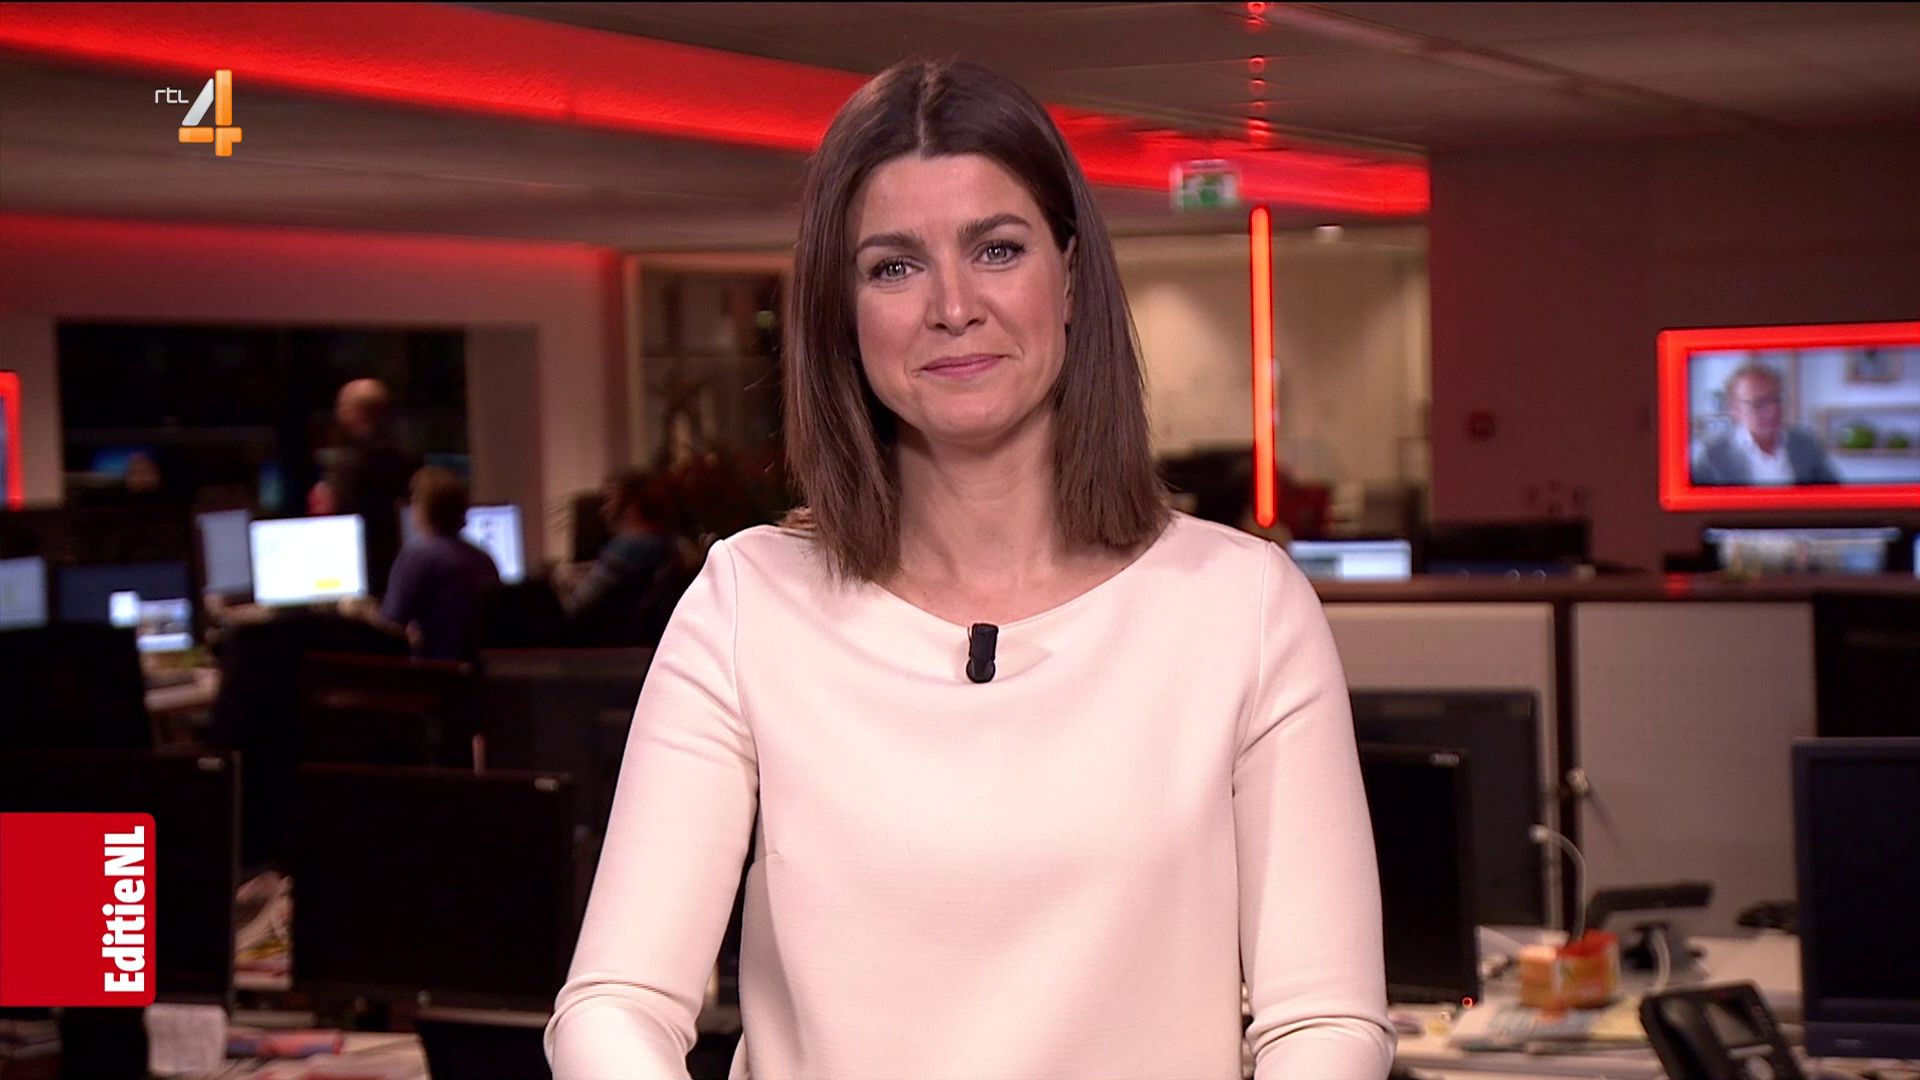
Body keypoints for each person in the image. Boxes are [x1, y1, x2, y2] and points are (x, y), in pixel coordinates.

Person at [546, 60, 1393, 1080]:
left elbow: (1324, 1022)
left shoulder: (1241, 606)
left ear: (1069, 278)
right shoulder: (747, 602)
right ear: (843, 312)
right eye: (893, 267)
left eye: (996, 249)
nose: (952, 306)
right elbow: (616, 1004)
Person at [344, 466, 498, 661]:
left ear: (422, 509)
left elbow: (392, 623)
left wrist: (358, 610)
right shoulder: (484, 559)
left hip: (433, 670)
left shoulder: (417, 555)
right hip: (476, 670)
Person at [560, 469, 682, 646]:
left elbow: (575, 606)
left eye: (610, 500)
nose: (603, 510)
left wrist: (560, 587)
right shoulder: (666, 544)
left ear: (633, 505)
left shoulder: (626, 548)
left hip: (597, 651)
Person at [320, 378, 418, 596]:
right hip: (402, 563)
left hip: (356, 567)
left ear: (356, 413)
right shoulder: (406, 459)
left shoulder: (345, 465)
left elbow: (335, 517)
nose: (338, 411)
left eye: (343, 406)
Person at [1692, 364, 1840, 486]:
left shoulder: (1806, 444)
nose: (1772, 410)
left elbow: (1834, 497)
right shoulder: (1711, 454)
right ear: (1735, 409)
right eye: (1758, 403)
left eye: (1776, 399)